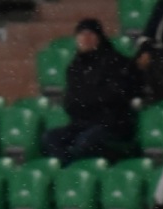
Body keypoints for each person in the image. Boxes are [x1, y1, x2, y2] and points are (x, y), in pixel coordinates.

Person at [44, 19, 142, 164]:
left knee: (86, 142)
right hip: (81, 123)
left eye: (90, 34)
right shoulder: (75, 66)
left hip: (111, 124)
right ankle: (70, 172)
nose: (85, 39)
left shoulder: (116, 62)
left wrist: (87, 100)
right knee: (50, 138)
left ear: (99, 37)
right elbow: (71, 102)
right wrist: (89, 100)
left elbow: (114, 97)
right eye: (81, 35)